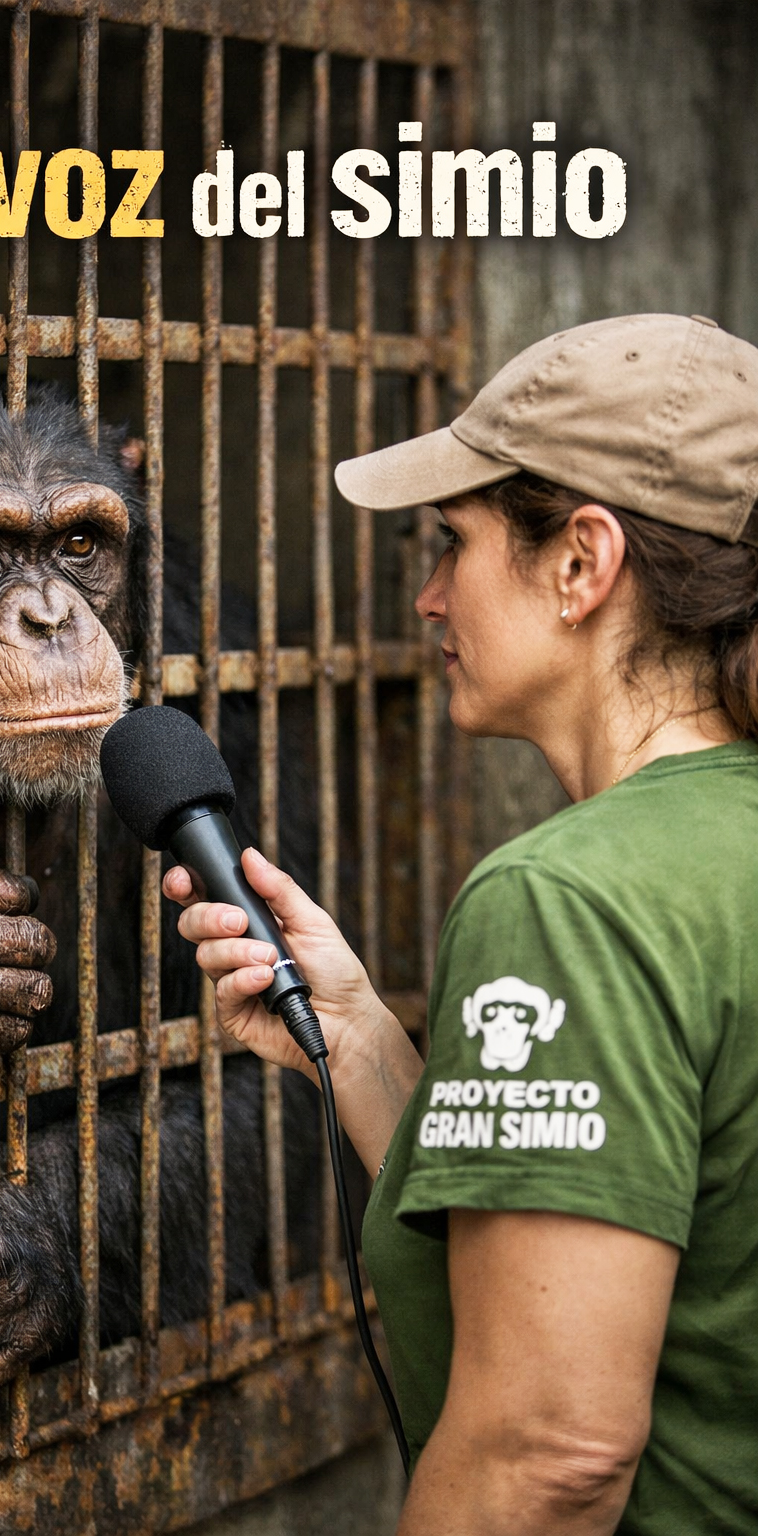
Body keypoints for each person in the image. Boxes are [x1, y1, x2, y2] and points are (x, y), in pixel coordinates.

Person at [162, 314, 758, 1536]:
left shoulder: (568, 897)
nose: (429, 597)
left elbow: (549, 1457)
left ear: (580, 565)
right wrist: (367, 1048)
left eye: (453, 544)